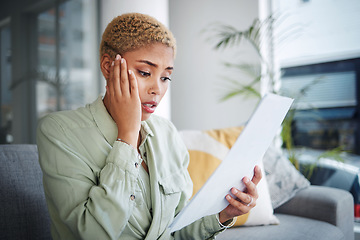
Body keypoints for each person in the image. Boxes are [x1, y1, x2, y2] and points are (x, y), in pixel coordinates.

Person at [37, 12, 262, 240]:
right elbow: (94, 233)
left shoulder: (167, 134)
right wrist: (127, 135)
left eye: (165, 78)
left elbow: (175, 229)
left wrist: (223, 215)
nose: (157, 89)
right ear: (108, 66)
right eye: (145, 72)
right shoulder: (58, 131)